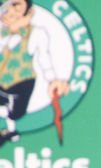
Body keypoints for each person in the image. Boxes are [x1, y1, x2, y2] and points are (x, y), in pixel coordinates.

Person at [0, 0, 69, 147]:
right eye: (8, 9)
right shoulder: (2, 32)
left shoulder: (37, 33)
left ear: (28, 14)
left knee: (16, 113)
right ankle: (10, 132)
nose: (10, 13)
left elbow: (44, 58)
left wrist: (52, 80)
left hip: (22, 81)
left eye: (16, 9)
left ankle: (11, 130)